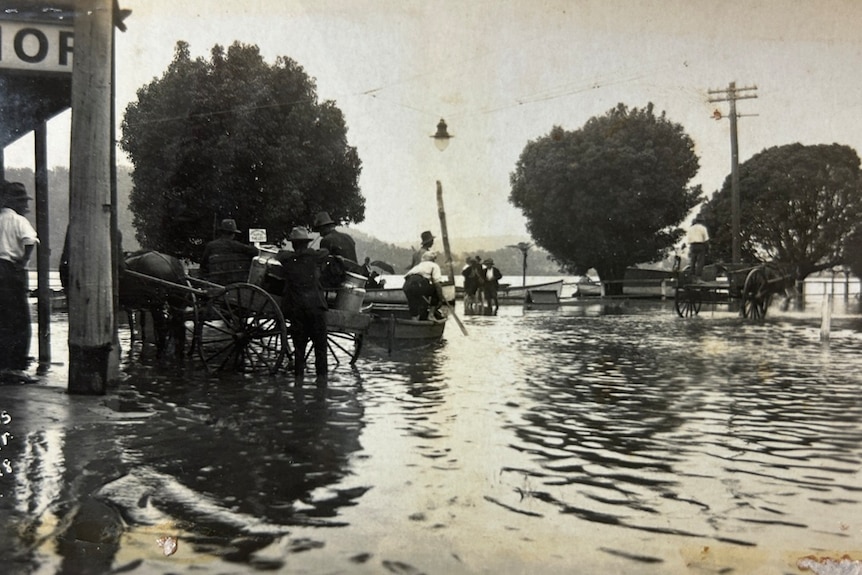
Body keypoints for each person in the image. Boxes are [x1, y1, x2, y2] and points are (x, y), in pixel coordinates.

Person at [276, 227, 330, 387]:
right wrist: (308, 252)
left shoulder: (287, 259)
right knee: (321, 349)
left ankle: (298, 385)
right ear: (306, 244)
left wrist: (298, 254)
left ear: (293, 245)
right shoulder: (314, 256)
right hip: (316, 307)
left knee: (299, 350)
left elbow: (280, 254)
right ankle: (322, 386)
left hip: (297, 309)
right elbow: (325, 252)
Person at [0, 182, 39, 383]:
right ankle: (15, 367)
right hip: (9, 270)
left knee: (2, 319)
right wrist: (23, 261)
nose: (24, 205)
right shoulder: (18, 220)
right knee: (19, 320)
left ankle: (3, 364)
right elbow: (30, 240)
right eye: (22, 201)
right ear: (13, 202)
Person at [199, 219, 259, 284]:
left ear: (221, 232)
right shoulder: (238, 246)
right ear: (233, 234)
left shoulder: (210, 246)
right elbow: (256, 251)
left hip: (216, 283)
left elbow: (203, 265)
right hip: (237, 283)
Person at [402, 250, 445, 321]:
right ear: (433, 259)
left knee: (413, 303)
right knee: (436, 289)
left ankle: (415, 319)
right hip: (418, 283)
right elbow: (437, 283)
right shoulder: (434, 265)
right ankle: (431, 315)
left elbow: (407, 278)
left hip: (406, 285)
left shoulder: (418, 266)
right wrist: (440, 299)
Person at [686, 215, 710, 281]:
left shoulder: (691, 228)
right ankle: (698, 278)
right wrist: (707, 249)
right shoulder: (703, 228)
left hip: (692, 245)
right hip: (700, 245)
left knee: (693, 261)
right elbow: (706, 240)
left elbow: (689, 239)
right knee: (700, 262)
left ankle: (692, 277)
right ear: (702, 221)